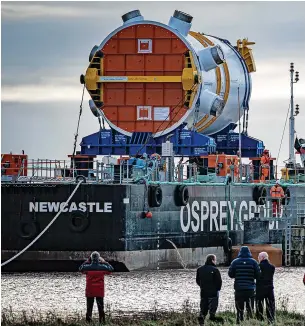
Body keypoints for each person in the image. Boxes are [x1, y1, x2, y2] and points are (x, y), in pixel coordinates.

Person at [228, 246, 261, 324]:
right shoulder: (253, 262)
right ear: (249, 252)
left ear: (240, 252)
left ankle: (239, 321)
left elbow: (230, 274)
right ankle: (249, 322)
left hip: (239, 289)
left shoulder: (235, 262)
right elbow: (258, 275)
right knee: (250, 308)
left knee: (239, 308)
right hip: (250, 289)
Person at [79, 251, 114, 324]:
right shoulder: (103, 267)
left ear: (91, 258)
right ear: (98, 258)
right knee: (101, 308)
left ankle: (88, 323)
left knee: (89, 308)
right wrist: (104, 262)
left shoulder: (87, 268)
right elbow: (111, 269)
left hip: (90, 291)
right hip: (99, 291)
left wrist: (87, 261)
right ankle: (102, 323)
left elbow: (80, 268)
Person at [196, 254, 223, 325]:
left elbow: (197, 281)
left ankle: (201, 321)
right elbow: (219, 282)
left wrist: (202, 286)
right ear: (212, 260)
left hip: (203, 292)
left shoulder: (199, 269)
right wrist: (217, 289)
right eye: (215, 260)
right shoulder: (215, 270)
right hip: (213, 292)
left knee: (203, 308)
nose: (215, 261)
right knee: (213, 308)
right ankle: (212, 318)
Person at [256, 252, 276, 323]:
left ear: (262, 257)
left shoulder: (258, 266)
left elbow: (257, 276)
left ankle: (260, 320)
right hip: (270, 289)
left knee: (259, 306)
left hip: (260, 289)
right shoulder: (272, 267)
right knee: (270, 306)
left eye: (259, 257)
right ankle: (270, 320)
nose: (258, 258)